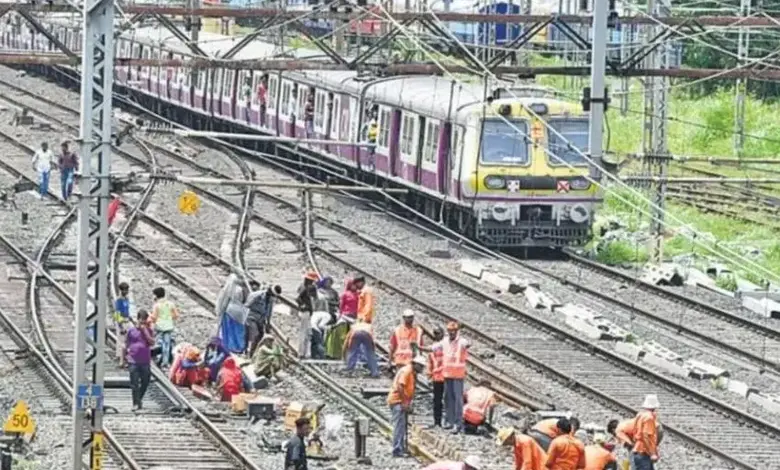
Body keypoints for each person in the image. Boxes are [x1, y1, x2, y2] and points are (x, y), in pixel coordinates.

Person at [387, 355, 425, 457]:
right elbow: (400, 386)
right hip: (397, 401)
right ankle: (397, 450)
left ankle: (400, 448)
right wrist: (404, 402)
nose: (422, 369)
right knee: (399, 427)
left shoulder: (411, 372)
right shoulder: (407, 371)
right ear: (415, 364)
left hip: (400, 401)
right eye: (421, 366)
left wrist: (408, 402)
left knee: (401, 427)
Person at [122, 310, 154, 411]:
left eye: (145, 321)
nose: (143, 323)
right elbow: (125, 345)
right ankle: (136, 403)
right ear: (138, 319)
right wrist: (123, 359)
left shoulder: (149, 330)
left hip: (145, 361)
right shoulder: (131, 331)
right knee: (134, 383)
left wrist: (144, 331)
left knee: (145, 381)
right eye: (141, 321)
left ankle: (139, 399)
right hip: (133, 360)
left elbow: (152, 342)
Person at [443, 322, 468, 434]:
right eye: (450, 331)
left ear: (457, 331)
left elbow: (466, 344)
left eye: (453, 331)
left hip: (458, 375)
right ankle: (450, 421)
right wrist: (420, 347)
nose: (451, 333)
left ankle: (458, 424)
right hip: (448, 374)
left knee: (458, 400)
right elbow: (435, 347)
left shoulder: (461, 341)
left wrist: (467, 345)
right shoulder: (445, 341)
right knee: (448, 398)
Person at [245, 282, 281, 357]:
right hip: (252, 317)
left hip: (261, 319)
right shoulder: (257, 295)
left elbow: (269, 312)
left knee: (261, 335)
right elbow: (247, 305)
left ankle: (253, 352)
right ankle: (249, 352)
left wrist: (268, 324)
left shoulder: (271, 300)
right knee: (255, 334)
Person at [216, 274, 248, 354]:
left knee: (229, 330)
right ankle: (239, 347)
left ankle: (229, 346)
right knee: (238, 331)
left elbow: (223, 302)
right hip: (240, 312)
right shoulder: (240, 289)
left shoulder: (227, 290)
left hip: (229, 311)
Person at [151, 286, 179, 368]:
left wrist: (150, 316)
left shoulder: (157, 305)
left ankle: (159, 359)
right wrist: (169, 318)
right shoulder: (170, 304)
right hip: (169, 327)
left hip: (159, 327)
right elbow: (176, 315)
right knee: (167, 344)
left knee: (158, 343)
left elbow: (154, 317)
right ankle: (165, 362)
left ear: (156, 296)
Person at [631, 395, 660, 470]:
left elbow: (635, 431)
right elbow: (645, 436)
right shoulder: (649, 418)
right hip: (643, 452)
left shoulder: (640, 415)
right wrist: (652, 453)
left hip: (639, 450)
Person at [426, 326, 445, 428]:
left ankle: (448, 421)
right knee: (437, 401)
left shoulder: (447, 346)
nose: (436, 335)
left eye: (438, 333)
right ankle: (437, 421)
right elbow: (430, 363)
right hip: (437, 377)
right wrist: (429, 376)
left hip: (447, 377)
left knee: (448, 400)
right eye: (435, 333)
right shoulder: (433, 348)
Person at [297, 278, 317, 358]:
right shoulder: (305, 288)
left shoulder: (304, 287)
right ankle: (302, 353)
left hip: (306, 312)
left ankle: (304, 352)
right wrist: (303, 305)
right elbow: (298, 298)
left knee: (307, 333)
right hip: (305, 312)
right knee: (304, 333)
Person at [114, 282, 132, 368]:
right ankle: (121, 360)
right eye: (124, 290)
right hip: (121, 322)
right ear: (121, 290)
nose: (126, 291)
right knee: (122, 342)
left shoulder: (126, 299)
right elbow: (117, 314)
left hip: (127, 321)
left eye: (127, 289)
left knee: (127, 341)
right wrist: (120, 326)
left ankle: (124, 358)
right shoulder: (119, 300)